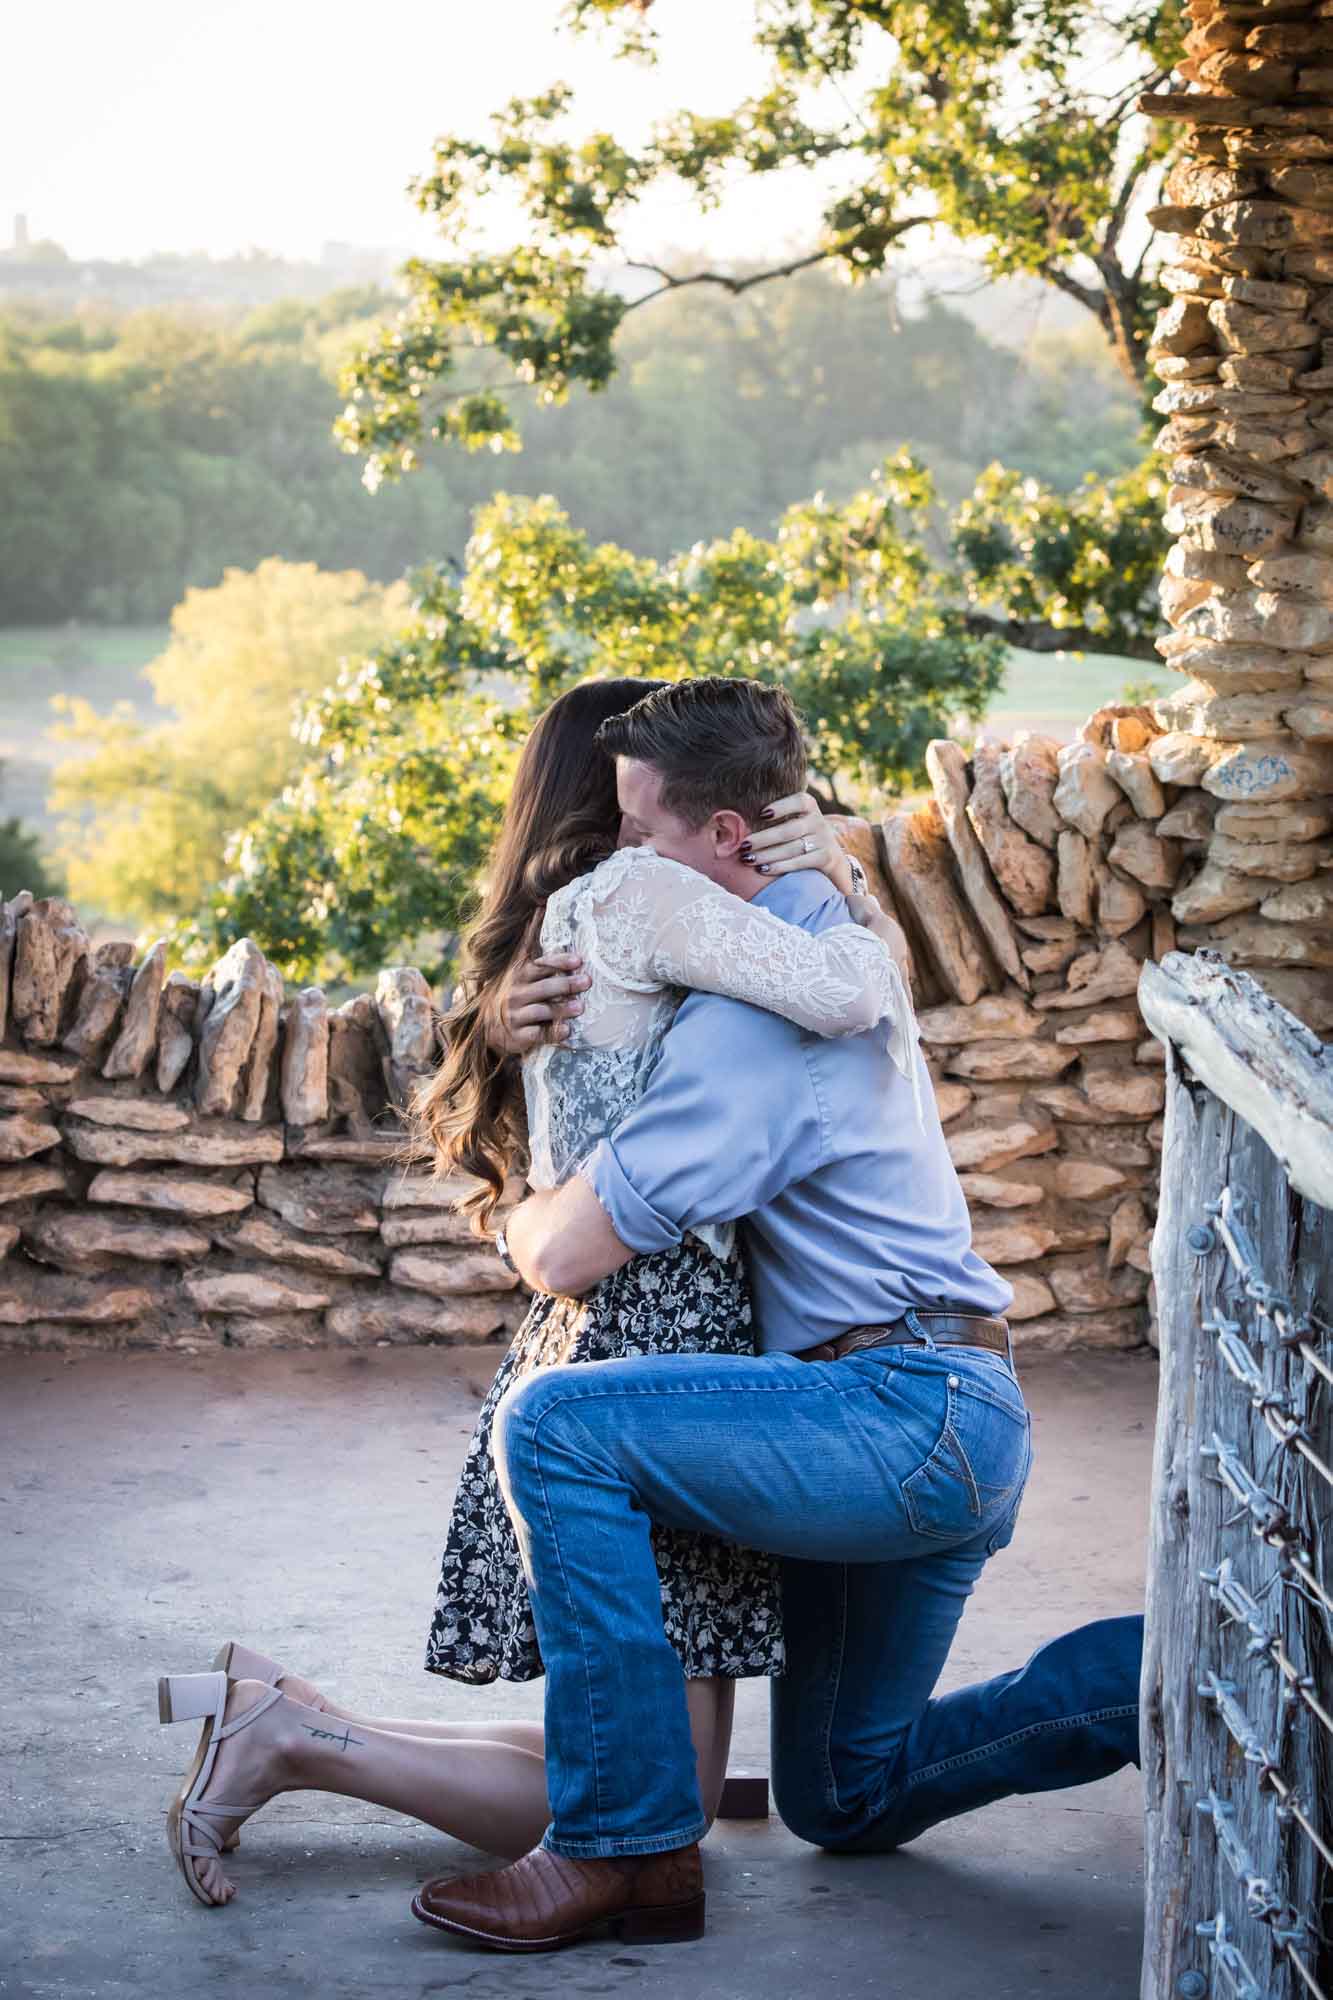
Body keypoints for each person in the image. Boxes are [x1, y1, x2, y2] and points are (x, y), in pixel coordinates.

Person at [410, 676, 1144, 1953]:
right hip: (936, 1405)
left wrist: (524, 1206)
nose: (623, 864)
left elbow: (570, 1247)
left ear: (724, 840)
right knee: (843, 1794)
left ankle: (619, 1846)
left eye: (640, 840)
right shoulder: (803, 930)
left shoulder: (763, 1014)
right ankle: (1177, 1670)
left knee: (558, 1427)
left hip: (898, 1411)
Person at [157, 675, 915, 1910]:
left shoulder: (571, 929)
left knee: (644, 1765)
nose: (646, 810)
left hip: (613, 1318)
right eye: (633, 794)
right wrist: (832, 878)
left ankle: (294, 1715)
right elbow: (844, 994)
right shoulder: (629, 897)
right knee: (642, 1802)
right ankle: (292, 1741)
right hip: (651, 1319)